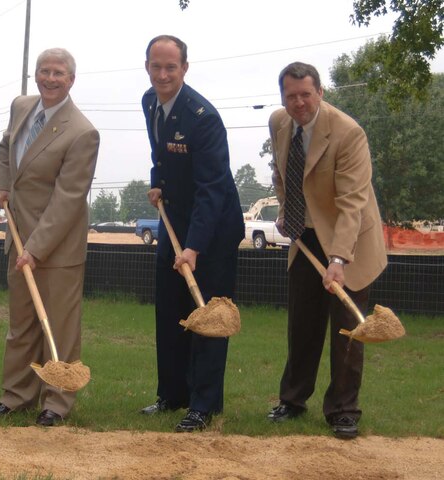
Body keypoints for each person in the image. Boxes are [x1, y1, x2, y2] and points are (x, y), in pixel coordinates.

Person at [266, 62, 387, 439]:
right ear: (283, 97)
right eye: (291, 96)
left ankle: (343, 409)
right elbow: (281, 175)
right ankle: (292, 400)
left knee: (347, 330)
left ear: (320, 92)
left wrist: (338, 260)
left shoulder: (348, 132)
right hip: (306, 234)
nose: (298, 102)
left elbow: (353, 202)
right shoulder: (279, 122)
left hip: (349, 238)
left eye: (305, 94)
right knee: (302, 323)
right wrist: (287, 211)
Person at [0, 48, 99, 427]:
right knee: (21, 325)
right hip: (18, 237)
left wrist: (35, 250)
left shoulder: (82, 132)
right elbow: (6, 146)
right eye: (44, 71)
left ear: (71, 80)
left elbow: (68, 199)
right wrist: (2, 184)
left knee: (59, 329)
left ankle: (56, 402)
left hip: (57, 248)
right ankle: (16, 396)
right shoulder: (21, 106)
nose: (51, 78)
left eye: (59, 73)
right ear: (36, 75)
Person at [139, 35, 244, 432]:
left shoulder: (204, 117)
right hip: (175, 221)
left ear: (184, 68)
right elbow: (160, 155)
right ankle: (172, 394)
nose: (163, 74)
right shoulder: (150, 101)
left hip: (212, 229)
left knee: (208, 316)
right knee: (171, 311)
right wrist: (157, 183)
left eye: (171, 67)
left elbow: (213, 187)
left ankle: (203, 404)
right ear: (147, 67)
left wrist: (195, 247)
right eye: (156, 66)